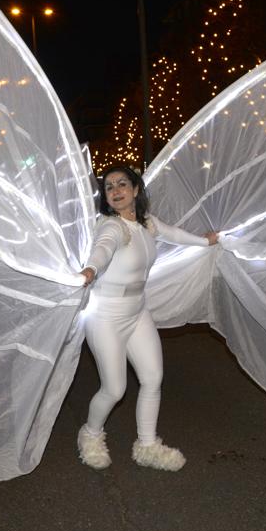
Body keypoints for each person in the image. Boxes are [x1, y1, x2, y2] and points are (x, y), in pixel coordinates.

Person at [76, 165, 218, 471]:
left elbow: (174, 233)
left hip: (137, 312)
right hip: (105, 317)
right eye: (109, 187)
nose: (115, 191)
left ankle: (148, 445)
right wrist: (91, 269)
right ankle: (90, 435)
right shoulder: (112, 226)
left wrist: (205, 241)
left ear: (136, 189)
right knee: (114, 389)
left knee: (153, 378)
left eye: (122, 184)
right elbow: (103, 249)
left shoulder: (147, 223)